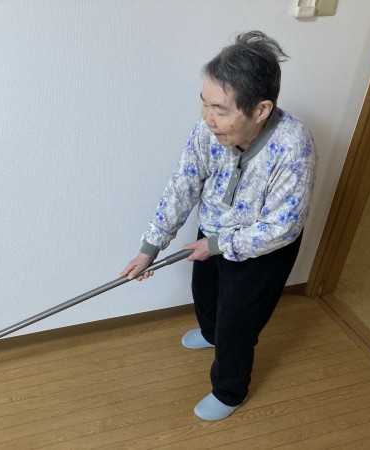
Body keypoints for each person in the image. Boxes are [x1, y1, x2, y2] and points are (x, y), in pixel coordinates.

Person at [120, 30, 316, 421]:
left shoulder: (294, 147)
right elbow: (183, 184)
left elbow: (281, 227)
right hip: (211, 232)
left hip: (263, 250)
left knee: (237, 324)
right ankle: (211, 334)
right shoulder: (206, 132)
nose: (207, 118)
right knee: (206, 295)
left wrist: (217, 245)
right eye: (204, 104)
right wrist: (150, 247)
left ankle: (230, 391)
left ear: (260, 110)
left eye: (220, 110)